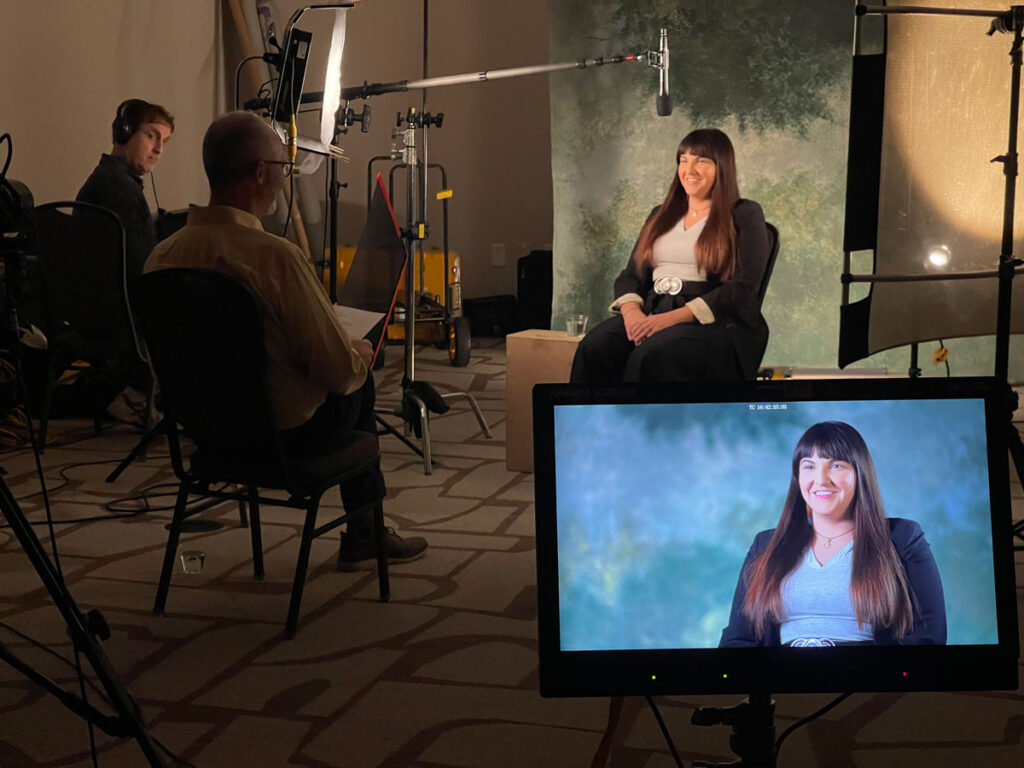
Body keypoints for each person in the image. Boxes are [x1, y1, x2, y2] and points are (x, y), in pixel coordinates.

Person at [145, 111, 427, 570]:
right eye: (282, 168)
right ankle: (365, 533)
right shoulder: (276, 258)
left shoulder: (162, 257)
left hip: (204, 434)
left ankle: (367, 533)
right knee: (359, 377)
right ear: (260, 172)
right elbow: (335, 372)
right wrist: (355, 352)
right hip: (282, 440)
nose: (283, 179)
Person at [719, 421, 946, 647]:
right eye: (809, 466)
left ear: (859, 473)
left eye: (836, 466)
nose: (821, 480)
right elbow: (738, 640)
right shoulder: (765, 545)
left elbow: (928, 636)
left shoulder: (902, 538)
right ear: (798, 478)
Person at [570, 128, 770, 384]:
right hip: (653, 308)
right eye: (683, 160)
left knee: (650, 356)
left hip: (714, 323)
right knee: (595, 346)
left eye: (702, 161)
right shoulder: (660, 215)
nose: (689, 170)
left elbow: (743, 287)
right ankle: (586, 424)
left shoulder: (744, 213)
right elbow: (630, 276)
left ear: (722, 167)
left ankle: (637, 425)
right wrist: (633, 316)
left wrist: (669, 319)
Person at [77, 99, 174, 283]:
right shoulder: (118, 187)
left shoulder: (109, 177)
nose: (159, 149)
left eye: (164, 141)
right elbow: (142, 266)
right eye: (151, 136)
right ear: (125, 133)